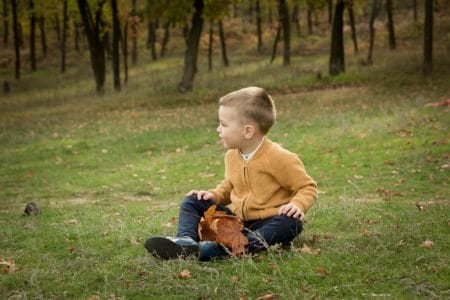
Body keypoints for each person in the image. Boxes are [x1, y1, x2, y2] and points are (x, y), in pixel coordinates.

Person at [145, 87, 317, 261]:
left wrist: (297, 204)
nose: (218, 129)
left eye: (224, 124)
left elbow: (307, 187)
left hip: (268, 223)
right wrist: (213, 195)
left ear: (248, 131)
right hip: (237, 222)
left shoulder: (279, 157)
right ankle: (186, 242)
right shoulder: (232, 155)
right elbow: (229, 187)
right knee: (193, 200)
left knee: (291, 223)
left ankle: (225, 251)